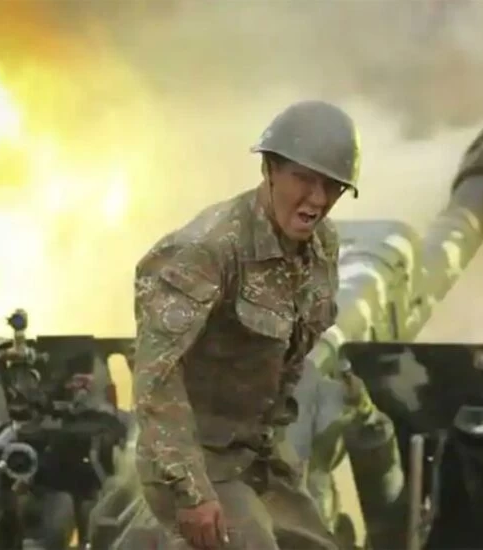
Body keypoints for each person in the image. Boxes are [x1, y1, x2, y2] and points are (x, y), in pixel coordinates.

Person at [131, 100, 361, 550]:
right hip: (193, 462)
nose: (318, 199)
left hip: (258, 456)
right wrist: (191, 492)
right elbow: (156, 380)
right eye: (304, 178)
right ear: (269, 169)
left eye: (332, 185)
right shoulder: (207, 250)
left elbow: (292, 352)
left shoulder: (322, 245)